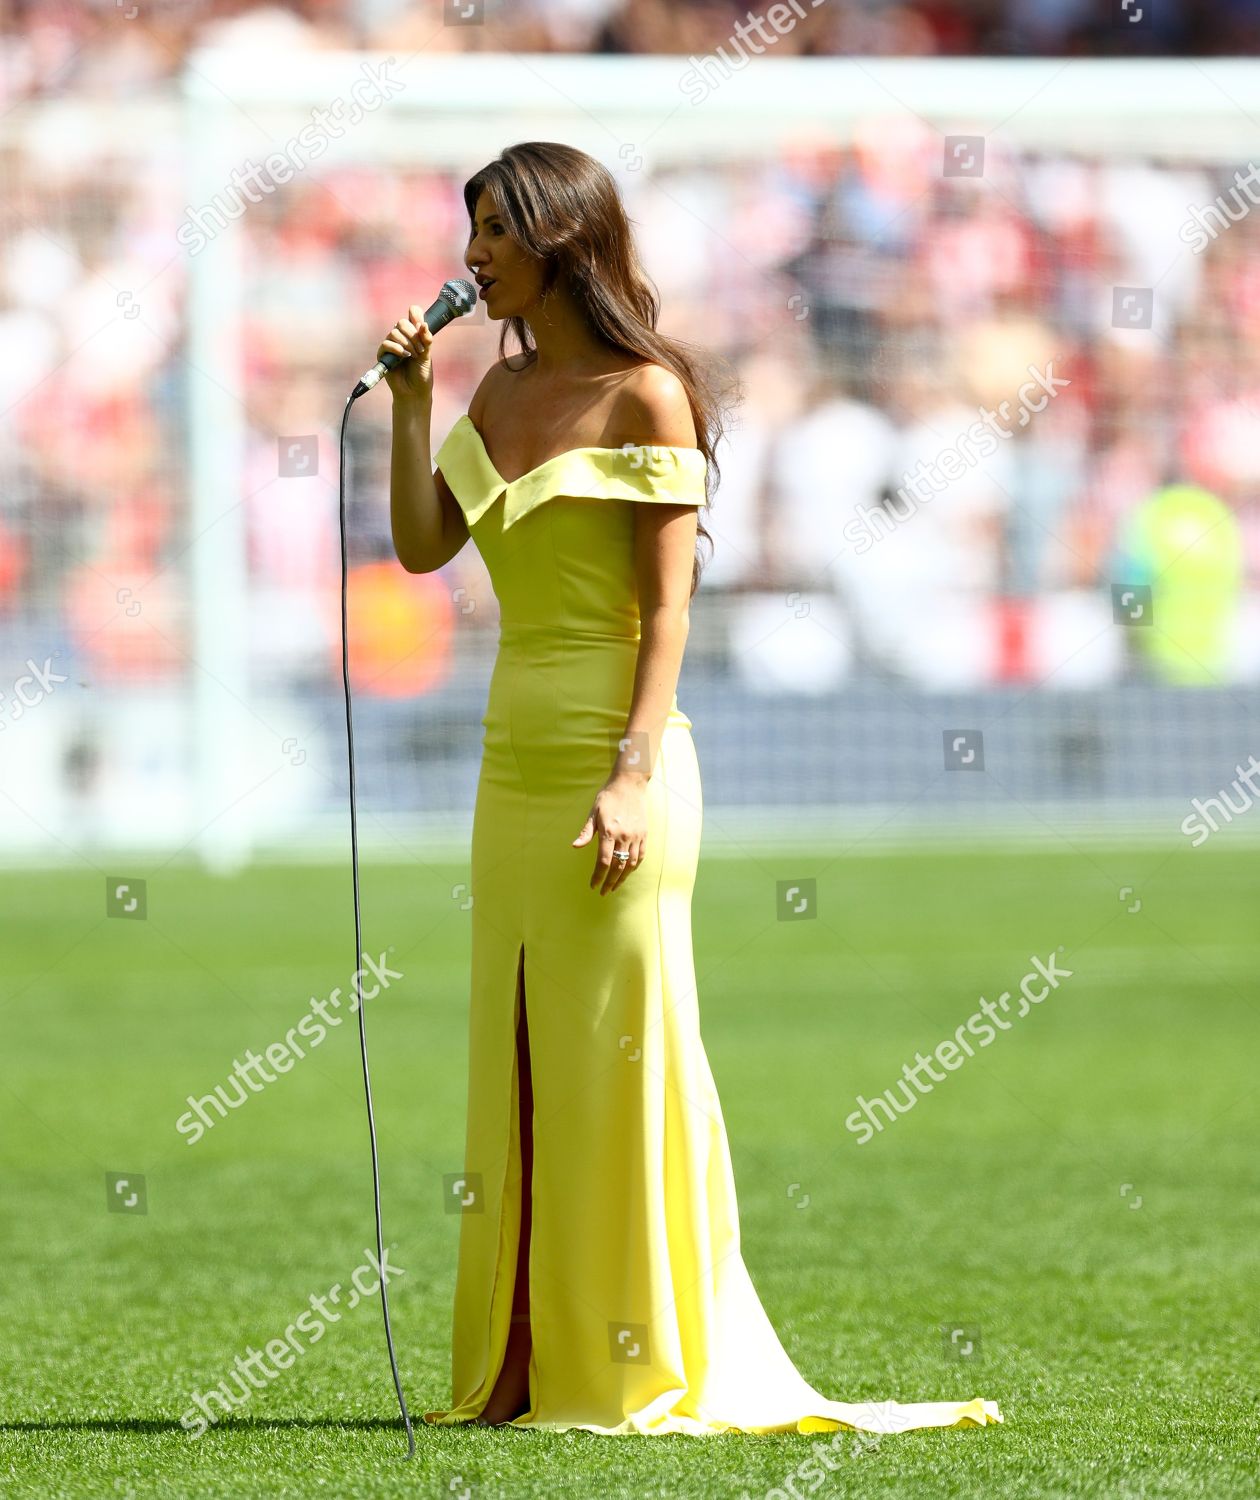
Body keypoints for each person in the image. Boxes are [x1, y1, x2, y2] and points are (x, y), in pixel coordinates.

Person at [382, 141, 1003, 1438]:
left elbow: (669, 613)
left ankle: (637, 1362)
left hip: (624, 764)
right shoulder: (493, 398)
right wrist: (405, 400)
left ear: (559, 239)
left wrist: (630, 774)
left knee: (627, 1049)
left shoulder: (647, 394)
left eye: (494, 231)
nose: (473, 255)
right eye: (471, 231)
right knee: (522, 1052)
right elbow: (422, 547)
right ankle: (530, 1367)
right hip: (510, 768)